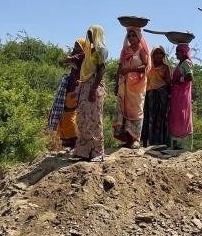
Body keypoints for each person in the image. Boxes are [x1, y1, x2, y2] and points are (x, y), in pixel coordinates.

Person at [72, 25, 107, 162]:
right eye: (88, 34)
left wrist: (93, 89)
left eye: (92, 34)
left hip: (94, 86)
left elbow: (101, 70)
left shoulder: (102, 50)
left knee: (94, 119)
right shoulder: (88, 50)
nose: (90, 37)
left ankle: (98, 152)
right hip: (85, 86)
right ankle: (83, 151)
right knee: (82, 118)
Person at [113, 27, 150, 149]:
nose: (131, 37)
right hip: (124, 83)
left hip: (137, 85)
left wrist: (129, 69)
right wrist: (116, 83)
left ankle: (136, 139)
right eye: (129, 35)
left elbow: (145, 66)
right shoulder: (125, 50)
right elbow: (119, 67)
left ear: (139, 36)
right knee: (123, 108)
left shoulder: (142, 51)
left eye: (133, 35)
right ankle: (126, 138)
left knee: (136, 110)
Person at [57, 38, 86, 148]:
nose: (75, 48)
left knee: (70, 115)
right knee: (65, 115)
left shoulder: (82, 55)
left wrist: (72, 55)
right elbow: (67, 60)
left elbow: (67, 59)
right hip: (70, 89)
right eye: (75, 46)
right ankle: (68, 141)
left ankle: (74, 140)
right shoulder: (77, 57)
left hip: (76, 89)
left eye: (78, 46)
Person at [141, 46, 171, 147]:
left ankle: (160, 141)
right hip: (150, 95)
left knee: (160, 118)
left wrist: (169, 97)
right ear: (152, 55)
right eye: (156, 53)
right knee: (149, 117)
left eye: (160, 53)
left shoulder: (165, 67)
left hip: (161, 96)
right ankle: (148, 141)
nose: (158, 55)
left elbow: (168, 82)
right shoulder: (149, 67)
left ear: (163, 55)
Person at [168, 43, 194, 150]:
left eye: (178, 52)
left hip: (182, 96)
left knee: (182, 117)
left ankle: (184, 145)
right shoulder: (180, 64)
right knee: (176, 117)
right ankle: (176, 144)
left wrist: (178, 80)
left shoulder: (186, 63)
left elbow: (189, 77)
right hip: (177, 95)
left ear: (183, 53)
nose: (176, 54)